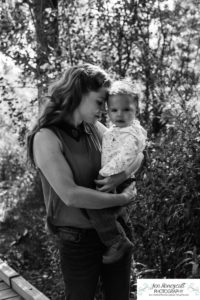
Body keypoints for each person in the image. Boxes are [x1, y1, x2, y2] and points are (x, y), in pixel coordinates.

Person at [27, 64, 143, 300]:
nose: (105, 110)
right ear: (79, 93)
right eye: (100, 102)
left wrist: (120, 177)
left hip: (116, 232)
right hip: (78, 241)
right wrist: (120, 197)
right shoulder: (46, 137)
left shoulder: (93, 128)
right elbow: (70, 195)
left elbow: (138, 154)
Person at [85, 79, 147, 264]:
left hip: (114, 176)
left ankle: (117, 242)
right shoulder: (116, 129)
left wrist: (108, 174)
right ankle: (119, 239)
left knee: (95, 207)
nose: (120, 114)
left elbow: (129, 156)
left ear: (136, 111)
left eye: (127, 109)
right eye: (114, 110)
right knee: (109, 210)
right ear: (108, 110)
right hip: (116, 177)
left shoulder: (130, 133)